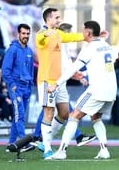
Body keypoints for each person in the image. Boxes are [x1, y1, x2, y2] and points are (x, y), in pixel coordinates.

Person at [47, 20, 117, 160]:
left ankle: (62, 151)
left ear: (88, 33)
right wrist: (101, 37)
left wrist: (57, 83)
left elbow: (73, 68)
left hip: (97, 89)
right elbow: (102, 65)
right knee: (95, 117)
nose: (82, 33)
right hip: (111, 89)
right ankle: (104, 150)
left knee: (74, 116)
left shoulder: (89, 48)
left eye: (83, 30)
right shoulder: (106, 45)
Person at [32, 23, 96, 149]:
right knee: (64, 111)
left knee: (51, 111)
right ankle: (78, 137)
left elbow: (68, 64)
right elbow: (63, 65)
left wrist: (76, 75)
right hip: (54, 81)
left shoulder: (64, 46)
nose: (69, 35)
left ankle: (37, 137)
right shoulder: (58, 44)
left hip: (59, 81)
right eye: (67, 32)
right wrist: (75, 75)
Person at [35, 8, 85, 159]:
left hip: (58, 82)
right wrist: (46, 33)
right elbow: (40, 39)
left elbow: (72, 37)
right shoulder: (40, 34)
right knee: (48, 113)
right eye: (56, 17)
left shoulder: (58, 34)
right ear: (48, 19)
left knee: (64, 114)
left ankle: (45, 142)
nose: (59, 20)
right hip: (46, 81)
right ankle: (47, 150)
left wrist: (90, 35)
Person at [1, 23, 35, 152]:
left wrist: (31, 83)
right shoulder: (12, 50)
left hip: (26, 87)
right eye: (23, 33)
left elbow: (31, 69)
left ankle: (11, 144)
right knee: (19, 114)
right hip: (16, 87)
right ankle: (22, 142)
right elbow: (5, 70)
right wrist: (12, 84)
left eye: (28, 34)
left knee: (19, 115)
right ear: (18, 34)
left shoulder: (29, 51)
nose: (26, 36)